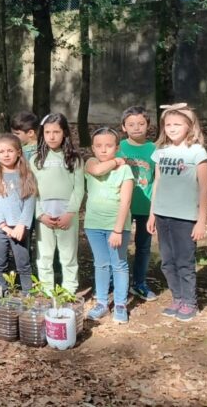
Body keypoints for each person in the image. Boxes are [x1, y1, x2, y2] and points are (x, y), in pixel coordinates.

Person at [148, 103, 207, 322]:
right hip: (162, 215)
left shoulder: (197, 152)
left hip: (185, 218)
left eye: (177, 124)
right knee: (167, 261)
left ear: (189, 126)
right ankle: (177, 298)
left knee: (184, 262)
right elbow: (157, 182)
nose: (172, 128)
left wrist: (201, 221)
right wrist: (152, 213)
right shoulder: (161, 151)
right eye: (168, 124)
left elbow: (204, 188)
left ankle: (189, 302)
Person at [84, 127, 135, 324]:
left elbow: (126, 202)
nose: (103, 150)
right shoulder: (90, 162)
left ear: (117, 147)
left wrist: (118, 230)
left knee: (119, 264)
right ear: (93, 148)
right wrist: (115, 161)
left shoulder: (125, 170)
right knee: (101, 263)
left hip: (116, 227)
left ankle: (120, 304)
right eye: (98, 146)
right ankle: (102, 303)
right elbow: (97, 171)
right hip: (93, 224)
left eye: (109, 145)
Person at [30, 113, 84, 294]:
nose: (52, 136)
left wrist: (70, 213)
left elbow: (79, 189)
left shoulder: (74, 159)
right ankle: (47, 290)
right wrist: (40, 214)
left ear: (64, 133)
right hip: (44, 215)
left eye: (56, 132)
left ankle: (69, 289)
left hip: (67, 214)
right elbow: (32, 189)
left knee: (68, 255)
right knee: (44, 255)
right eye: (47, 132)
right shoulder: (36, 159)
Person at [116, 106, 158, 301]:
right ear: (123, 127)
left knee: (143, 247)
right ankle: (116, 282)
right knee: (119, 246)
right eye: (131, 124)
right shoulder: (119, 148)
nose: (136, 127)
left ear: (148, 125)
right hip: (122, 207)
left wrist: (154, 211)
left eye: (141, 123)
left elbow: (157, 180)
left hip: (146, 206)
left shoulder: (154, 149)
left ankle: (139, 283)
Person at [0, 133, 36, 293]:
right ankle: (2, 295)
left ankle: (27, 295)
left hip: (19, 227)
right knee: (0, 263)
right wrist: (4, 226)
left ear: (18, 152)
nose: (6, 155)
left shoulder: (27, 174)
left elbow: (30, 202)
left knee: (23, 263)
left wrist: (21, 225)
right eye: (2, 151)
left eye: (10, 151)